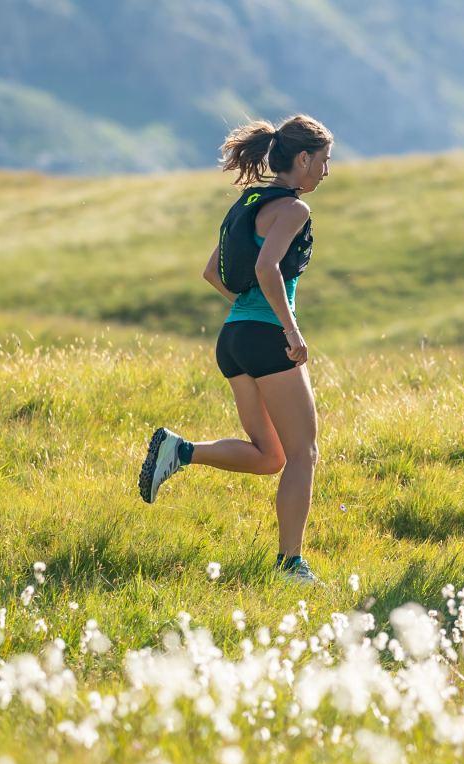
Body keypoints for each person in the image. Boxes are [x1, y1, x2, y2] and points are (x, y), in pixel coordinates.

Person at [138, 115, 332, 585]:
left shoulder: (247, 204)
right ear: (302, 159)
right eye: (324, 161)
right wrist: (290, 331)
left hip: (234, 339)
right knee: (303, 453)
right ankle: (290, 565)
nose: (326, 172)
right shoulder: (292, 210)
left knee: (271, 456)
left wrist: (249, 313)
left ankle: (180, 452)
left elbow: (212, 272)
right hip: (267, 339)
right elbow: (268, 269)